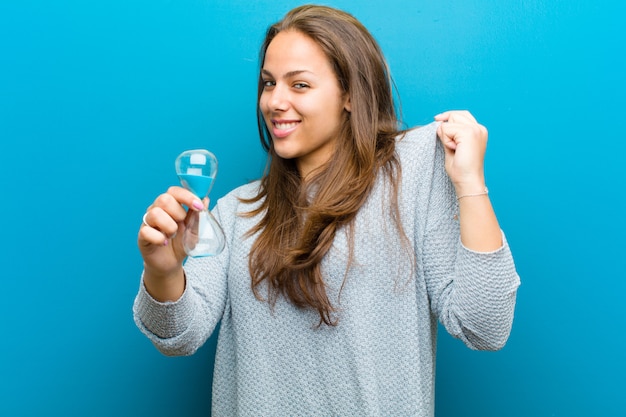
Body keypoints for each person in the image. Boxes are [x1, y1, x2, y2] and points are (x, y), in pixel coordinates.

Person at [134, 4, 520, 416]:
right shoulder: (237, 211)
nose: (275, 102)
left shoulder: (413, 174)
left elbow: (485, 324)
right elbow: (178, 336)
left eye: (299, 85)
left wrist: (470, 184)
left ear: (350, 94)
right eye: (268, 84)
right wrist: (163, 269)